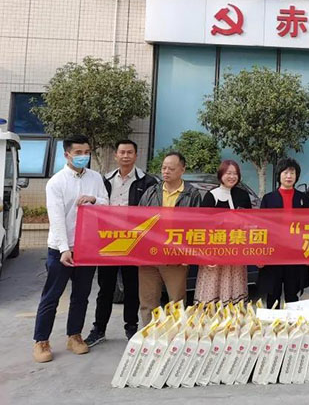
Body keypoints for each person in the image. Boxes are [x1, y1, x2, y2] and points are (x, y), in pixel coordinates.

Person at [33, 135, 108, 364]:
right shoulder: (56, 182)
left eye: (86, 152)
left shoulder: (95, 178)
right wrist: (65, 249)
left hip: (87, 247)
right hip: (60, 249)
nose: (83, 156)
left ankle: (74, 336)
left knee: (81, 295)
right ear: (67, 154)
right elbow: (56, 219)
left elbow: (106, 203)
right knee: (52, 296)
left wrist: (94, 199)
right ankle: (41, 340)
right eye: (78, 152)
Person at [85, 140, 157, 347]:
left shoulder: (148, 181)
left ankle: (131, 328)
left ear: (136, 155)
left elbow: (152, 211)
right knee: (105, 288)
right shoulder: (104, 180)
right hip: (108, 241)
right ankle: (99, 328)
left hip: (135, 242)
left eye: (130, 152)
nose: (126, 156)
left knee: (132, 287)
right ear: (116, 155)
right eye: (122, 152)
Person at [138, 152, 202, 324]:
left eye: (171, 169)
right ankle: (149, 333)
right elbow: (138, 220)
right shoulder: (152, 191)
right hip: (149, 255)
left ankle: (176, 334)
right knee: (148, 301)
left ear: (182, 170)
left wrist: (188, 254)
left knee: (176, 301)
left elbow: (197, 225)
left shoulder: (192, 194)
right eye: (164, 168)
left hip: (176, 255)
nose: (166, 171)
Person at [194, 160, 251, 304]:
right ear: (221, 174)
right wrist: (206, 254)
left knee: (235, 289)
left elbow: (250, 222)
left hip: (236, 250)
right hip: (215, 252)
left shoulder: (243, 195)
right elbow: (203, 227)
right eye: (228, 173)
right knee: (212, 291)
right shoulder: (211, 195)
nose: (232, 177)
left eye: (235, 173)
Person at [259, 157, 309, 308]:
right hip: (274, 253)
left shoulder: (303, 199)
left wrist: (308, 252)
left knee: (292, 293)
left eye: (292, 173)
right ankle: (272, 320)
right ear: (279, 175)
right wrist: (261, 254)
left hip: (295, 253)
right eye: (285, 173)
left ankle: (292, 321)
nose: (289, 176)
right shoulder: (268, 199)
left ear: (297, 176)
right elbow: (262, 227)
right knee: (273, 293)